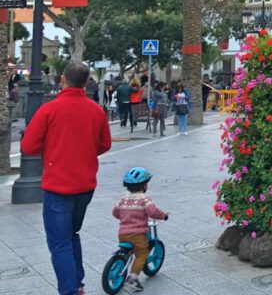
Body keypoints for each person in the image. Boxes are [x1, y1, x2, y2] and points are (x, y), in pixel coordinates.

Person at [20, 62, 111, 295]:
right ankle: (77, 283)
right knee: (71, 234)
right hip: (85, 186)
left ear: (63, 80)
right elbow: (104, 144)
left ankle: (70, 290)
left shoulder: (49, 109)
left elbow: (29, 146)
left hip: (58, 187)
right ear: (86, 81)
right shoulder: (96, 110)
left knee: (59, 242)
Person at [112, 167, 168, 293]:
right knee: (142, 254)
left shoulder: (123, 199)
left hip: (122, 234)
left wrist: (124, 216)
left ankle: (123, 264)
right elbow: (153, 212)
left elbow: (115, 213)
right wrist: (164, 215)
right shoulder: (144, 199)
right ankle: (132, 279)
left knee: (130, 251)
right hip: (138, 234)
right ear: (144, 186)